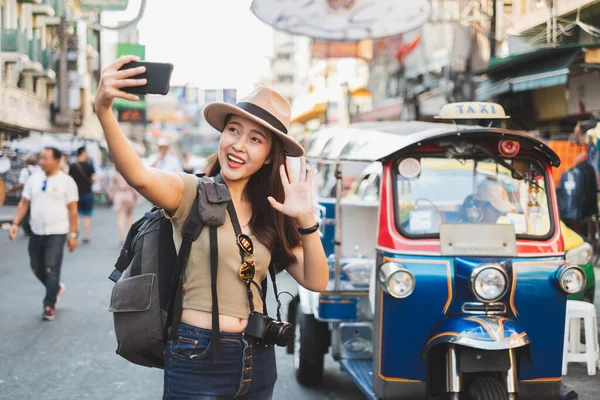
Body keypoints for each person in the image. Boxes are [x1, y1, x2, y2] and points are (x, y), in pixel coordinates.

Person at [95, 55, 328, 399]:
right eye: (233, 130)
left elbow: (317, 281)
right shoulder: (191, 191)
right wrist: (103, 111)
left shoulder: (273, 212)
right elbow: (139, 176)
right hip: (196, 356)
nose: (238, 145)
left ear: (267, 156)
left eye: (255, 139)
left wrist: (306, 220)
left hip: (258, 358)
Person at [8, 147, 79, 321]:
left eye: (45, 158)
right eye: (41, 158)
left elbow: (73, 210)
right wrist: (16, 223)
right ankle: (55, 288)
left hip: (58, 231)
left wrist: (73, 235)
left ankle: (49, 305)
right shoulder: (34, 179)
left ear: (57, 160)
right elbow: (24, 203)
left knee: (51, 268)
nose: (41, 162)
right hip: (36, 231)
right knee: (36, 266)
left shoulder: (67, 181)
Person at [7, 154, 41, 236]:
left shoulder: (25, 171)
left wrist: (12, 188)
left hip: (28, 194)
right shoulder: (40, 169)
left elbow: (22, 184)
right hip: (38, 194)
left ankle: (27, 230)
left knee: (26, 212)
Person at [69, 146, 96, 243]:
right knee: (87, 216)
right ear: (83, 153)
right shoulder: (89, 166)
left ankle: (75, 233)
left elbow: (69, 179)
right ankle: (85, 236)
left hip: (76, 194)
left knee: (77, 215)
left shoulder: (73, 165)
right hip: (87, 193)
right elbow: (94, 178)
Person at [107, 170, 139, 244]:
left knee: (120, 217)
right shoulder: (129, 174)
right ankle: (130, 236)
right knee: (129, 217)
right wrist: (137, 197)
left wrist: (111, 196)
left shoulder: (115, 175)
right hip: (129, 194)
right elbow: (133, 186)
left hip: (119, 195)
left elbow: (110, 187)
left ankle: (122, 237)